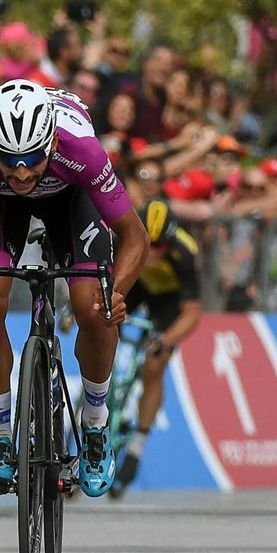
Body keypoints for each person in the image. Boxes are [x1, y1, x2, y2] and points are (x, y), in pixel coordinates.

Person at [0, 79, 148, 497]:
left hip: (70, 201)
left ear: (51, 142)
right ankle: (0, 440)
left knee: (93, 308)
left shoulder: (82, 149)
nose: (20, 172)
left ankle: (94, 426)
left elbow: (135, 236)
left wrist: (116, 294)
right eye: (9, 159)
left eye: (32, 158)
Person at [111, 199, 203, 494]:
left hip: (169, 302)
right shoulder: (123, 238)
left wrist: (165, 341)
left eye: (160, 247)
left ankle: (137, 444)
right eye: (149, 246)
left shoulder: (184, 252)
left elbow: (192, 313)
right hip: (136, 285)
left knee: (154, 365)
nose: (154, 254)